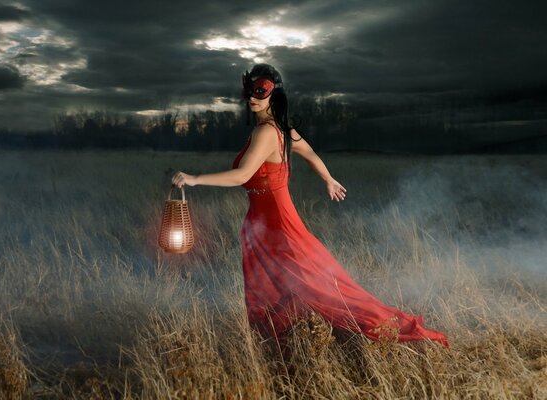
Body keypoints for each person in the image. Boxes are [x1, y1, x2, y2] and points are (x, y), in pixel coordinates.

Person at [171, 64, 450, 349]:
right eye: (248, 90)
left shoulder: (267, 133)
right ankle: (288, 344)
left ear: (274, 94)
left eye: (260, 90)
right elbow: (311, 154)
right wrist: (328, 179)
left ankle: (373, 329)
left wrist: (195, 179)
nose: (251, 97)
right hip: (262, 224)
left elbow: (243, 175)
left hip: (277, 225)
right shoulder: (282, 131)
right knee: (280, 287)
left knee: (314, 287)